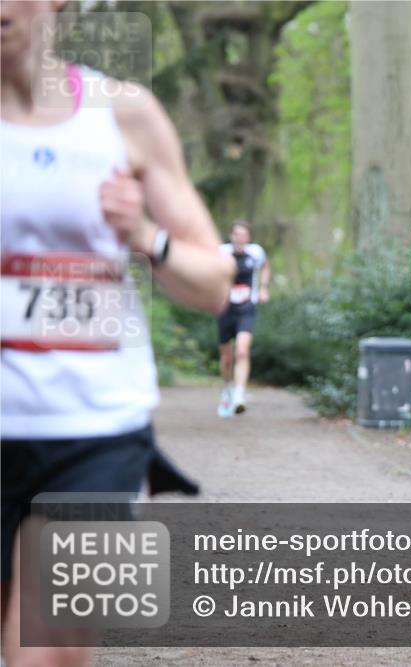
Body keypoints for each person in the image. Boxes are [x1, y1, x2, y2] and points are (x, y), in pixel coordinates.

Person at [0, 1, 234, 664]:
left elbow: (213, 283)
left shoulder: (123, 114)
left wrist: (142, 236)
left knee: (47, 655)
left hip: (96, 433)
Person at [216, 221, 269, 417]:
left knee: (242, 351)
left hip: (246, 308)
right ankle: (227, 389)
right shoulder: (221, 252)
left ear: (248, 238)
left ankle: (239, 396)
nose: (240, 239)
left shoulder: (255, 253)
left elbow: (265, 267)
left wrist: (263, 287)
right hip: (225, 309)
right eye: (237, 235)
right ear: (231, 236)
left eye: (244, 235)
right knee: (227, 357)